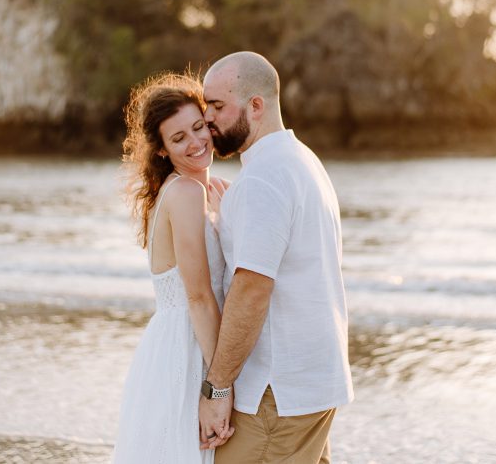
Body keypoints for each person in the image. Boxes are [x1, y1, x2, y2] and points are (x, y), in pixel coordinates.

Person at [198, 52, 353, 463]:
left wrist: (216, 389)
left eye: (217, 105)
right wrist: (232, 218)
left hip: (274, 394)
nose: (207, 118)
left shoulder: (263, 180)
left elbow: (251, 292)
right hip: (312, 383)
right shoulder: (302, 162)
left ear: (256, 106)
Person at [112, 72, 231, 464]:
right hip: (186, 348)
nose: (196, 142)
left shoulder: (200, 193)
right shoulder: (184, 193)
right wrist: (220, 387)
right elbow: (198, 297)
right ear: (161, 150)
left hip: (178, 342)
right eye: (179, 138)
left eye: (199, 127)